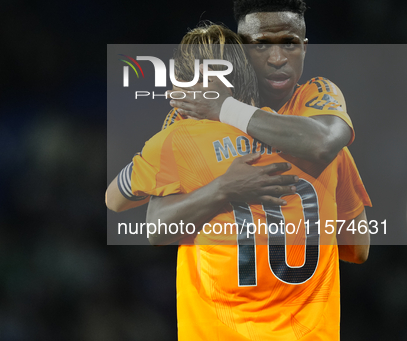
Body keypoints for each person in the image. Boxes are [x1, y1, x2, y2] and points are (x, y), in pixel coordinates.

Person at [127, 23, 370, 340]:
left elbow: (156, 230)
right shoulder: (323, 148)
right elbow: (358, 248)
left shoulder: (185, 144)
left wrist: (221, 191)